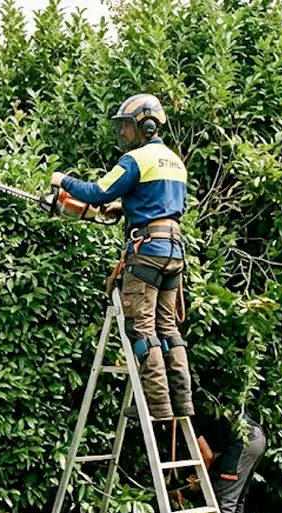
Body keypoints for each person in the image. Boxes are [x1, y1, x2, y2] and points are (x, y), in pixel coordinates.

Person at [51, 93, 193, 420]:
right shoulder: (175, 161)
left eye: (127, 126)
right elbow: (167, 206)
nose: (124, 133)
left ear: (144, 125)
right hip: (173, 249)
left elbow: (97, 192)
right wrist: (126, 207)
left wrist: (63, 180)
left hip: (146, 253)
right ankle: (182, 402)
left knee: (142, 328)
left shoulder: (137, 160)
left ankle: (157, 405)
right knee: (167, 326)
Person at [192, 411, 267, 513]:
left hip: (243, 442)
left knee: (225, 499)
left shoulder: (190, 421)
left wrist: (198, 478)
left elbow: (207, 455)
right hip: (256, 435)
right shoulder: (206, 407)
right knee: (238, 496)